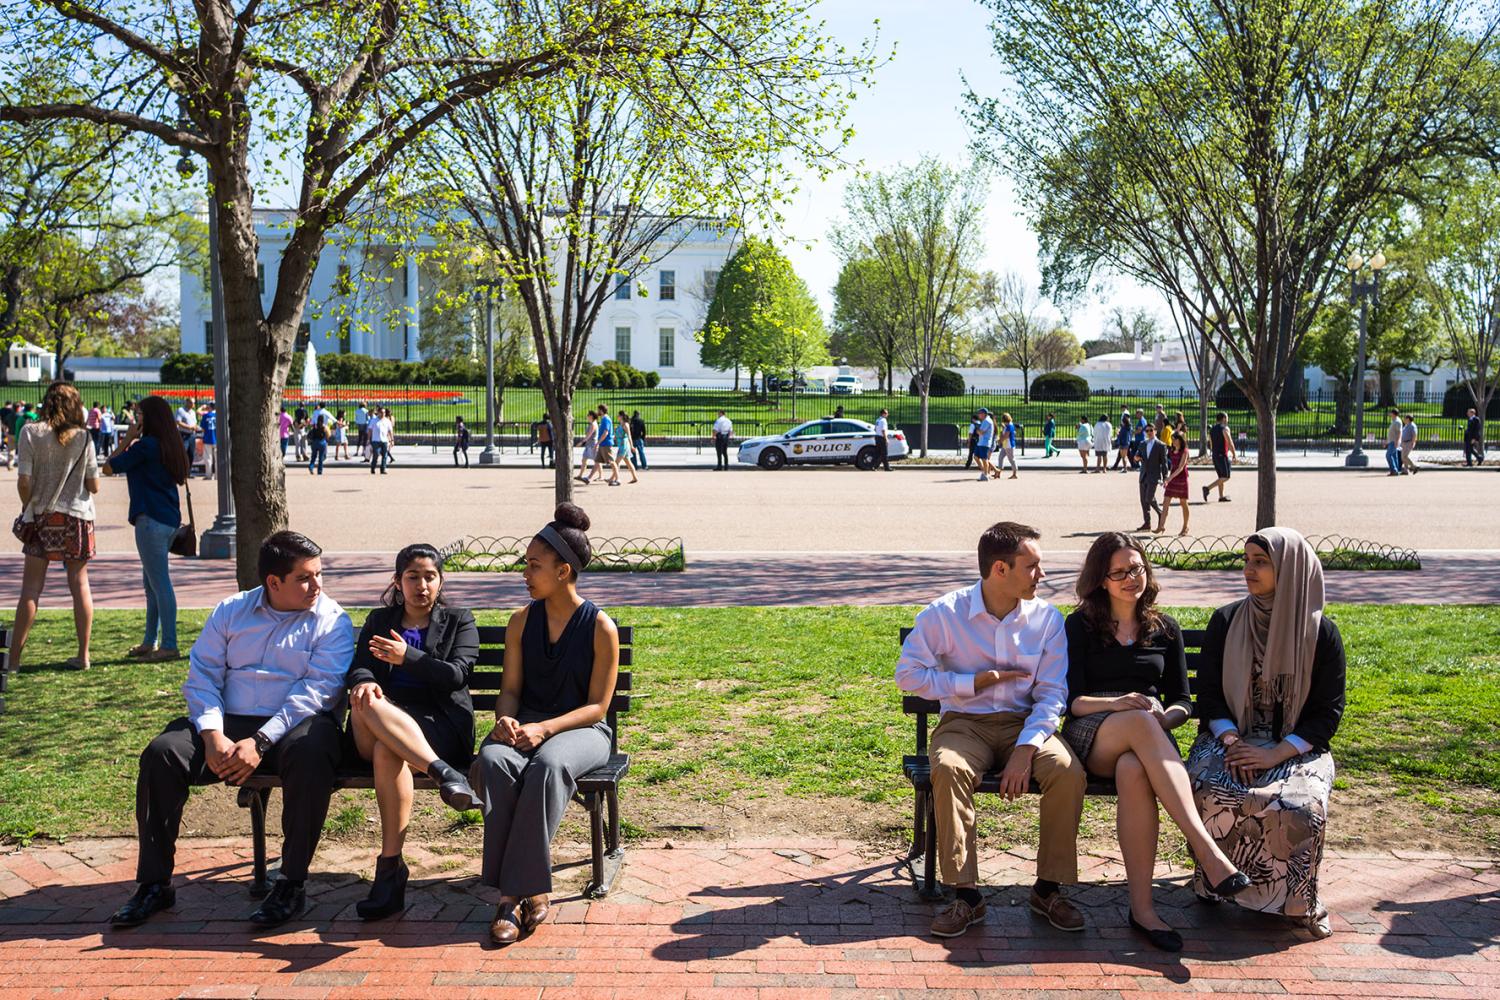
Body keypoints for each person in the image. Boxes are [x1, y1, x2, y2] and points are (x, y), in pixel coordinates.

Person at [108, 531, 354, 930]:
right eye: (305, 578)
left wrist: (260, 741)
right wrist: (212, 735)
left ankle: (291, 884)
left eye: (319, 574)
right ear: (273, 582)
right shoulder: (231, 611)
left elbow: (317, 692)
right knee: (162, 754)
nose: (317, 585)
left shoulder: (331, 620)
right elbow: (203, 676)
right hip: (226, 724)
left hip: (296, 726)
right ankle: (154, 884)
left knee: (312, 753)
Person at [895, 522, 1087, 938]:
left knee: (1066, 771)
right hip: (965, 724)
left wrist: (1025, 748)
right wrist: (971, 683)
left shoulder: (1047, 619)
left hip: (1026, 724)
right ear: (1000, 569)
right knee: (948, 768)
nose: (1042, 575)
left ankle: (1048, 889)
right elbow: (907, 675)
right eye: (1032, 566)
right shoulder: (945, 614)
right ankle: (966, 896)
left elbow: (1052, 694)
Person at [1061, 534, 1249, 950]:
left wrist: (1167, 717)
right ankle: (1206, 849)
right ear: (1101, 580)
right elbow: (1071, 701)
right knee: (1139, 723)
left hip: (1149, 737)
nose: (1132, 578)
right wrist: (1118, 705)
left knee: (1134, 768)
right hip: (1093, 730)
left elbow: (1182, 699)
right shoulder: (1079, 626)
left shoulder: (1164, 628)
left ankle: (1143, 911)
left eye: (1138, 568)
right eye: (1120, 572)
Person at [1186, 528, 1346, 938]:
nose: (1248, 570)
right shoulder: (1226, 621)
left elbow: (1326, 715)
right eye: (1246, 560)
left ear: (1290, 569)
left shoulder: (1320, 634)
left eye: (1261, 562)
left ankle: (1296, 903)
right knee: (1211, 788)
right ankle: (1217, 883)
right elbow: (1209, 696)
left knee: (1300, 806)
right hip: (1229, 739)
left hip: (1296, 747)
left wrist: (1275, 754)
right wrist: (1233, 742)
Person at [474, 504, 620, 944]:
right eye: (526, 563)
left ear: (563, 571)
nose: (525, 573)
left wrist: (546, 729)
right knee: (494, 761)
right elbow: (510, 691)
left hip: (583, 732)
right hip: (527, 727)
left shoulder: (600, 627)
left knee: (548, 766)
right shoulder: (521, 621)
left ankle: (508, 898)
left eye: (534, 565)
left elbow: (597, 707)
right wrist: (504, 718)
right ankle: (534, 890)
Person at [346, 543, 481, 920]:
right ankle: (444, 774)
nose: (422, 585)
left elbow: (456, 675)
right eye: (412, 577)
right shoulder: (379, 621)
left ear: (441, 581)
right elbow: (360, 666)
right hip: (379, 719)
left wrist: (409, 657)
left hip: (439, 727)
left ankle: (389, 872)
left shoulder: (458, 620)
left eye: (430, 577)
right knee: (369, 699)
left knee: (389, 750)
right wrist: (364, 681)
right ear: (397, 581)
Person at [8, 381, 100, 672]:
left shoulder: (30, 432)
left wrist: (28, 505)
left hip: (42, 515)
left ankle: (13, 660)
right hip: (77, 515)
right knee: (80, 584)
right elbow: (93, 485)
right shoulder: (84, 437)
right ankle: (83, 655)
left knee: (31, 589)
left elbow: (24, 480)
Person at [104, 396, 190, 663]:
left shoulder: (145, 446)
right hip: (169, 520)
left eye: (139, 415)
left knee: (159, 585)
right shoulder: (169, 444)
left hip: (150, 520)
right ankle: (150, 640)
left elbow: (108, 467)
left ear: (150, 418)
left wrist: (128, 438)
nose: (135, 419)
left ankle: (169, 644)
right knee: (152, 584)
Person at [1156, 434, 1190, 536]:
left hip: (1181, 478)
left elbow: (1181, 467)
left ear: (1180, 440)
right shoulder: (1171, 451)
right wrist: (1167, 478)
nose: (1173, 441)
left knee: (1183, 502)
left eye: (1174, 439)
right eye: (1172, 439)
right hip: (1172, 477)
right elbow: (1171, 466)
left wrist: (1169, 478)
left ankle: (1185, 526)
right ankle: (1161, 526)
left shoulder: (1184, 451)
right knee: (1166, 501)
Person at [1135, 424, 1165, 532]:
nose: (1149, 432)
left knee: (1149, 497)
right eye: (1147, 431)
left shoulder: (1160, 445)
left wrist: (1165, 477)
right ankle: (1147, 523)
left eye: (1151, 430)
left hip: (1154, 476)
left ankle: (1160, 512)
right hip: (1143, 475)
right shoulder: (1142, 444)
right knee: (1143, 500)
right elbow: (1137, 455)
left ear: (1155, 431)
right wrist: (1136, 458)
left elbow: (1164, 463)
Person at [1203, 411, 1235, 502]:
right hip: (1222, 455)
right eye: (1227, 417)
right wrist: (1234, 454)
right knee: (1226, 476)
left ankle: (1221, 496)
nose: (1228, 419)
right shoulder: (1225, 428)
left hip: (1215, 455)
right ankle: (1207, 488)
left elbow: (1211, 443)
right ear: (1224, 418)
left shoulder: (1212, 429)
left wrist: (1213, 453)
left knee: (1221, 476)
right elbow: (1229, 442)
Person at [586, 404, 621, 485]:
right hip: (603, 444)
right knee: (597, 461)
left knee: (612, 462)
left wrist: (597, 443)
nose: (597, 411)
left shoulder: (605, 419)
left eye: (598, 410)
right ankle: (588, 478)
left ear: (601, 411)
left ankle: (618, 479)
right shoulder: (604, 419)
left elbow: (606, 432)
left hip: (606, 444)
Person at [613, 412, 640, 484]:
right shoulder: (620, 425)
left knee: (616, 463)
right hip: (621, 445)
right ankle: (635, 478)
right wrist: (615, 431)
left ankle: (614, 479)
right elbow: (616, 436)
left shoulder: (626, 425)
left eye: (618, 415)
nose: (617, 416)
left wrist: (632, 446)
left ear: (622, 416)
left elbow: (629, 436)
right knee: (628, 463)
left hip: (624, 446)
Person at [973, 408, 996, 481]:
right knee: (976, 457)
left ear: (983, 414)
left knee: (984, 459)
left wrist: (976, 429)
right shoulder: (985, 421)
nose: (978, 415)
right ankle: (984, 471)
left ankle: (985, 474)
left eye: (979, 413)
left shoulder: (987, 421)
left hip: (985, 443)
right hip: (981, 442)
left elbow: (981, 432)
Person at [575, 409, 598, 482]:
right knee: (584, 459)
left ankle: (594, 476)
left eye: (588, 415)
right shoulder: (591, 424)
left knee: (597, 462)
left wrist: (581, 442)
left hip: (592, 445)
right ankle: (580, 475)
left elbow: (588, 435)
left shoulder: (593, 424)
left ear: (591, 416)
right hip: (589, 445)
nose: (587, 416)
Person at [174, 399, 198, 469]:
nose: (193, 404)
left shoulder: (193, 412)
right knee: (183, 453)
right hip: (184, 435)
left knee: (191, 455)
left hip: (192, 435)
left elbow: (195, 423)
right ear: (187, 402)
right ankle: (181, 470)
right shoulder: (181, 410)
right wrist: (189, 427)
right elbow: (178, 422)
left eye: (194, 403)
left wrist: (195, 427)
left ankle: (188, 471)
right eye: (191, 403)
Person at [369, 406, 392, 474]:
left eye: (384, 412)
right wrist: (368, 440)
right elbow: (370, 430)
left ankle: (383, 469)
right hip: (375, 440)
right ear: (378, 413)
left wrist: (392, 440)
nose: (383, 414)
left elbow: (390, 431)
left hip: (384, 441)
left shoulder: (387, 421)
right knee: (376, 455)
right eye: (381, 412)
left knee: (385, 456)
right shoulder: (374, 420)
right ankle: (373, 467)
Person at [306, 408, 329, 475]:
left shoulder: (315, 426)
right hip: (322, 442)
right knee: (320, 458)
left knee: (313, 456)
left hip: (314, 442)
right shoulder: (324, 427)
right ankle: (319, 471)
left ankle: (311, 466)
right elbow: (328, 435)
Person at [199, 402, 218, 480]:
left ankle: (209, 475)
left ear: (210, 407)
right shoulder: (218, 415)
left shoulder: (205, 416)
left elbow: (202, 428)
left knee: (208, 458)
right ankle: (218, 476)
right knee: (217, 458)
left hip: (207, 439)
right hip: (217, 439)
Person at [997, 413, 1019, 479]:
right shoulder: (1007, 425)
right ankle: (998, 473)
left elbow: (1006, 436)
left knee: (1011, 460)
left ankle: (1015, 474)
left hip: (1009, 445)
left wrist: (1000, 441)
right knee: (1000, 458)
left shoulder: (1009, 426)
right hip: (1005, 445)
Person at [1384, 407, 1402, 475]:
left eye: (1390, 412)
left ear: (1393, 413)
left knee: (1388, 455)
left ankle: (1394, 470)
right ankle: (1396, 470)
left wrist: (1397, 441)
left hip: (1394, 441)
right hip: (1391, 441)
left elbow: (1399, 432)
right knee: (1394, 456)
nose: (1389, 414)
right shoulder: (1394, 420)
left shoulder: (1397, 421)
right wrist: (1387, 441)